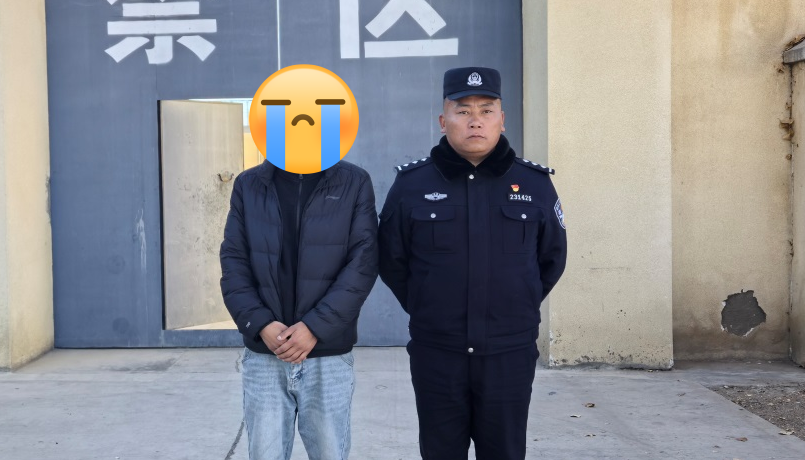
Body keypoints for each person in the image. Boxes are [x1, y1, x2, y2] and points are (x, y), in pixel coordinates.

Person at [378, 66, 567, 460]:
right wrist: (429, 305)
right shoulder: (412, 185)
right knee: (440, 451)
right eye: (463, 111)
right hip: (437, 352)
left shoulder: (535, 184)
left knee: (505, 451)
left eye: (486, 110)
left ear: (502, 119)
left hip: (508, 353)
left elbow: (551, 259)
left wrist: (515, 304)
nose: (475, 121)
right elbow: (392, 260)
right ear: (443, 121)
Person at [220, 159, 379, 460]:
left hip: (327, 354)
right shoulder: (249, 184)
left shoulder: (354, 180)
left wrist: (315, 327)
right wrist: (261, 324)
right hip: (266, 354)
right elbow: (233, 261)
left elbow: (363, 262)